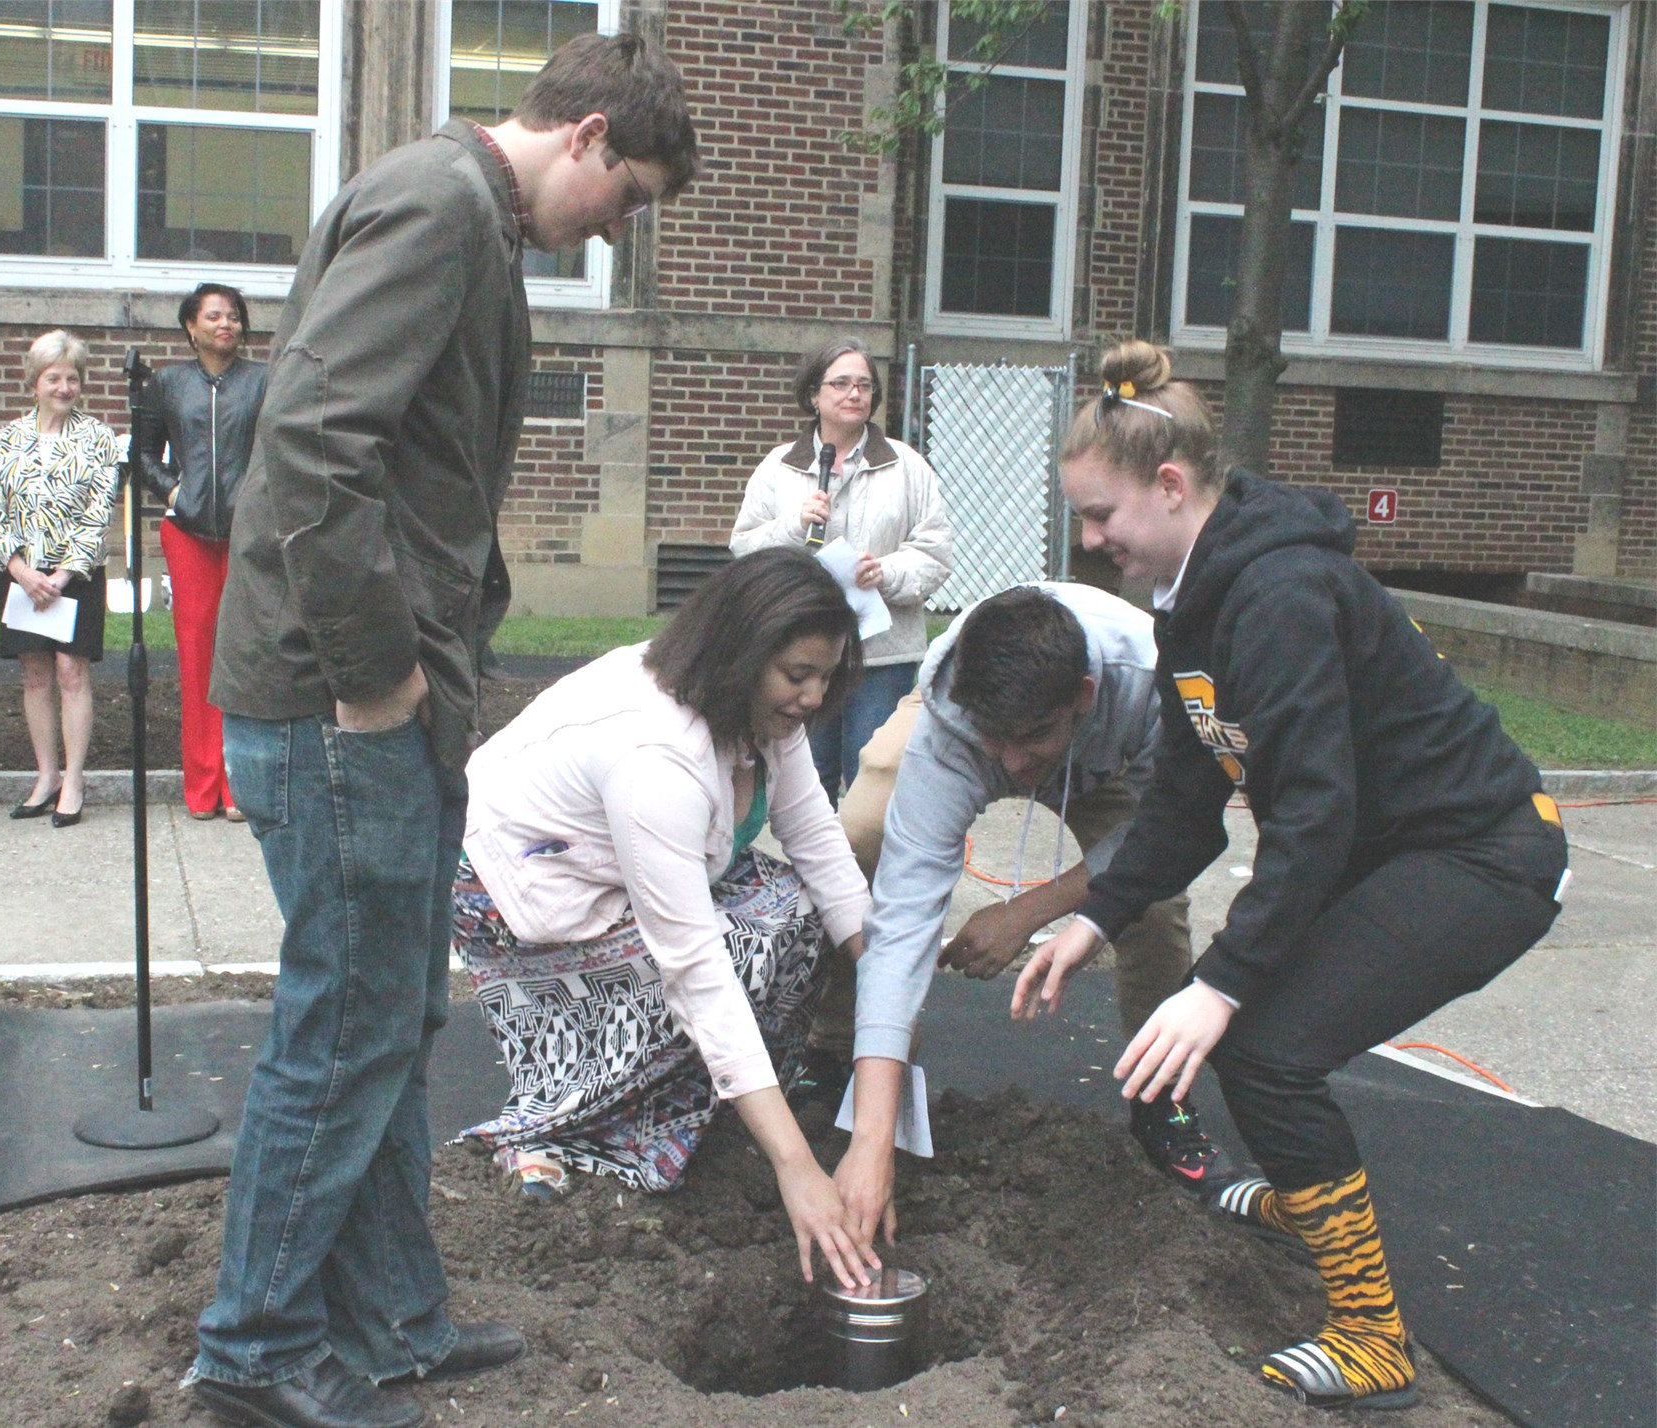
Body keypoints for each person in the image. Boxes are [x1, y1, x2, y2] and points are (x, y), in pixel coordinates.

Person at [193, 33, 700, 1428]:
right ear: (588, 135)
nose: (620, 226)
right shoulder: (438, 206)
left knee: (391, 1016)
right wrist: (373, 679)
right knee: (345, 1024)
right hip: (338, 698)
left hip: (375, 698)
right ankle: (253, 1351)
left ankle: (392, 1315)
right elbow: (311, 444)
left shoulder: (461, 211)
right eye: (633, 194)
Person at [1012, 341, 1568, 1411]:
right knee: (1257, 1040)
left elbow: (1312, 819)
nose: (1090, 543)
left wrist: (1215, 982)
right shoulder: (1194, 599)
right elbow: (1187, 794)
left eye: (1100, 516)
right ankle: (1308, 1201)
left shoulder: (1279, 593)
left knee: (1262, 1046)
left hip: (1485, 855)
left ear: (1170, 487)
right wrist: (1097, 917)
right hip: (1391, 849)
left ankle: (1373, 1338)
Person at [457, 548, 876, 1289]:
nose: (812, 698)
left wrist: (884, 990)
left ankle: (693, 1117)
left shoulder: (762, 713)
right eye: (797, 675)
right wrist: (798, 1165)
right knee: (738, 948)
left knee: (793, 916)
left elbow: (816, 841)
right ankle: (551, 1133)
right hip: (519, 892)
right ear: (743, 653)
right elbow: (694, 967)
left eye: (825, 676)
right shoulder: (655, 754)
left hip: (621, 870)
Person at [825, 583, 1233, 1231]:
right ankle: (837, 1050)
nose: (1014, 765)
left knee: (1153, 907)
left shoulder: (1159, 681)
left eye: (1032, 739)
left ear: (1084, 698)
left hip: (1112, 765)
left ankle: (1162, 1100)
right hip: (972, 733)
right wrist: (874, 1141)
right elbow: (904, 919)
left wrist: (1028, 912)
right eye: (999, 740)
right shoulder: (958, 723)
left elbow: (1175, 827)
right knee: (858, 835)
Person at [729, 339, 952, 806]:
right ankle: (808, 878)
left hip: (881, 657)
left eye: (865, 386)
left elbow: (935, 555)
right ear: (814, 394)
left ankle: (870, 878)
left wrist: (885, 572)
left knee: (875, 785)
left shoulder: (906, 466)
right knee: (804, 785)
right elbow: (745, 551)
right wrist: (794, 525)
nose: (855, 394)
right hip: (799, 655)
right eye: (842, 384)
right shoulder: (779, 468)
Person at [135, 281, 269, 822]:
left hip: (247, 535)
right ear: (191, 326)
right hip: (187, 535)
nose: (226, 324)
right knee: (196, 658)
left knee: (244, 656)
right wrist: (173, 491)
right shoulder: (167, 384)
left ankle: (239, 785)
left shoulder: (263, 381)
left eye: (234, 316)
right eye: (214, 316)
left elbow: (279, 447)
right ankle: (202, 785)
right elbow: (140, 453)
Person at [0, 330, 119, 829]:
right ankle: (46, 776)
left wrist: (58, 577)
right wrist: (19, 570)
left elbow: (100, 512)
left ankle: (75, 780)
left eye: (72, 378)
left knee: (71, 673)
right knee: (35, 675)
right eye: (53, 377)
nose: (63, 387)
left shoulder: (98, 437)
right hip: (21, 573)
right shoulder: (6, 439)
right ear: (33, 382)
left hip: (73, 575)